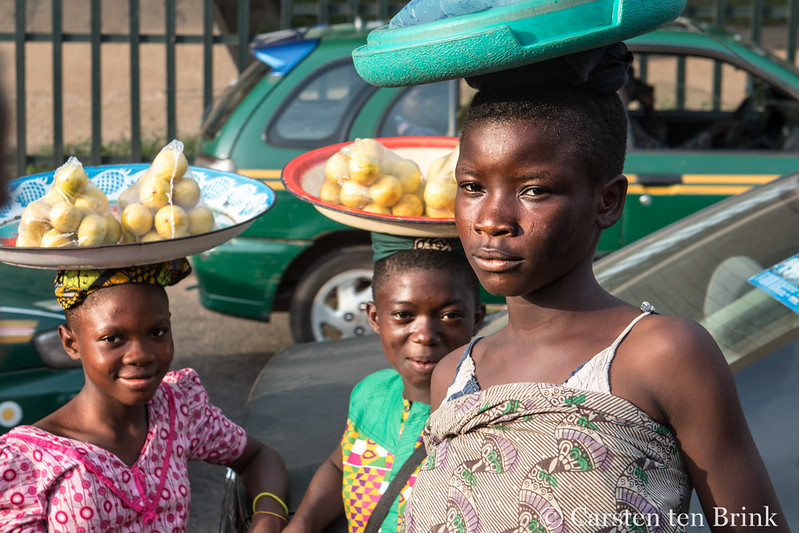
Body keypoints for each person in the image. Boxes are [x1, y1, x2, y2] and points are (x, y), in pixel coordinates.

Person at [402, 44, 789, 532]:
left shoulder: (661, 355)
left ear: (607, 201)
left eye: (534, 191)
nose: (492, 220)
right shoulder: (454, 375)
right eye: (473, 186)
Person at [0, 259, 289, 532]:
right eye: (113, 338)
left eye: (157, 332)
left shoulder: (176, 409)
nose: (140, 355)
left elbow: (258, 457)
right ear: (71, 343)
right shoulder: (30, 462)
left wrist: (268, 518)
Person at [284, 234, 485, 533]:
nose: (425, 334)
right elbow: (340, 466)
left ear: (477, 319)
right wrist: (302, 522)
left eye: (450, 315)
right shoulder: (371, 393)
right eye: (404, 315)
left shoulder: (486, 419)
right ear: (375, 317)